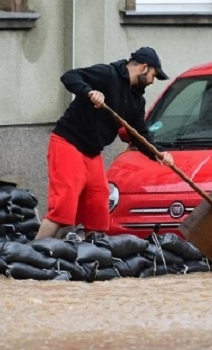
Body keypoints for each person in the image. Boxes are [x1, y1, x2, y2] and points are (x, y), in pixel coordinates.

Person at [35, 47, 174, 240]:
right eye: (153, 75)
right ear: (143, 68)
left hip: (92, 152)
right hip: (68, 143)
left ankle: (92, 255)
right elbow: (70, 76)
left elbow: (140, 135)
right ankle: (33, 254)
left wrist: (158, 153)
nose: (152, 81)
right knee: (63, 207)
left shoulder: (136, 101)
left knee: (98, 205)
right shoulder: (108, 74)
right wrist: (89, 91)